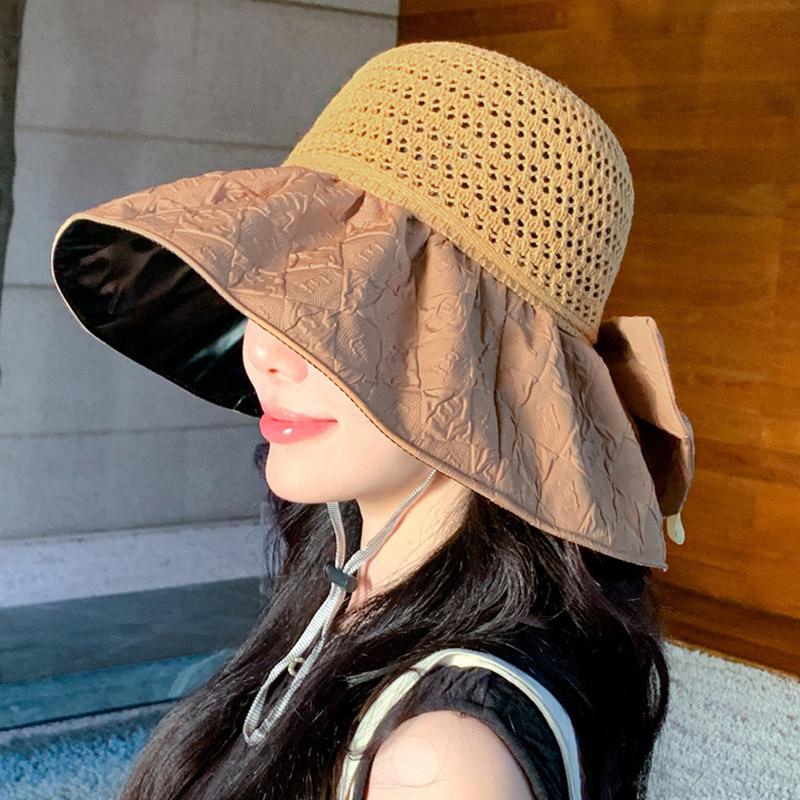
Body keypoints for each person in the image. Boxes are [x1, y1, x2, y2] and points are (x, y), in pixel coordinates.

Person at [49, 40, 695, 800]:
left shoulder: (440, 763)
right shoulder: (353, 587)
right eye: (282, 294)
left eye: (339, 309)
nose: (265, 352)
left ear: (482, 359)